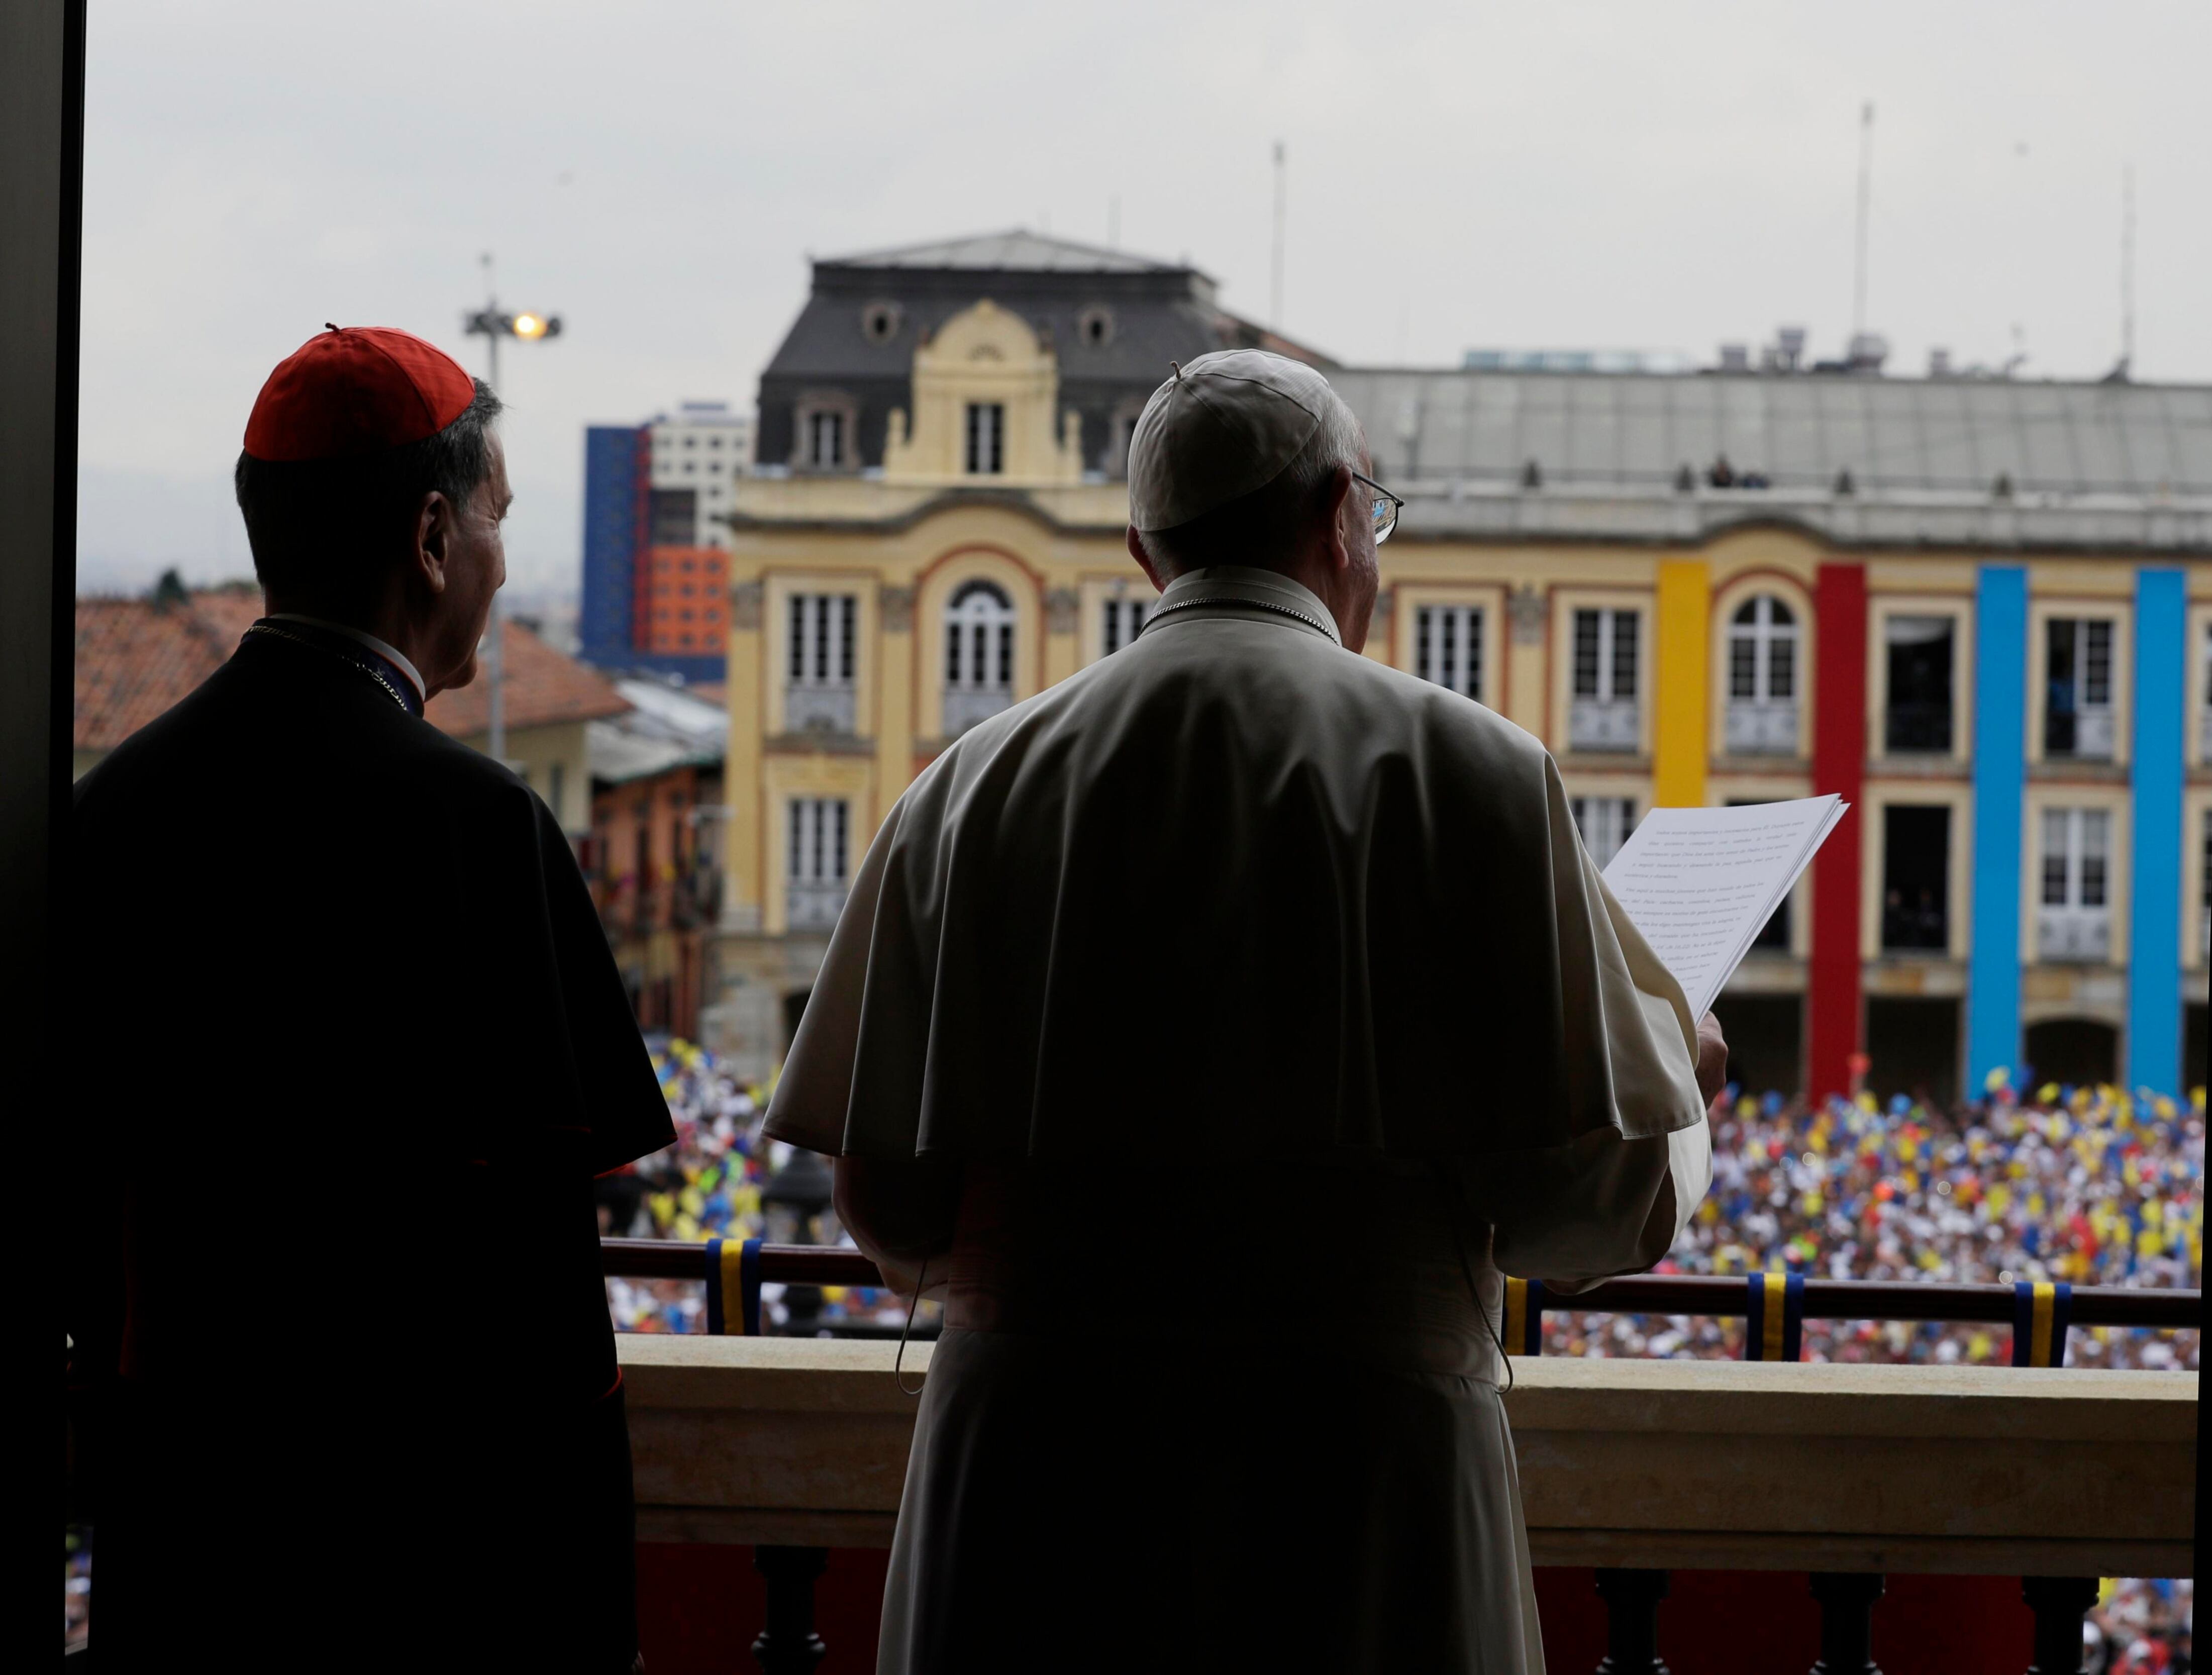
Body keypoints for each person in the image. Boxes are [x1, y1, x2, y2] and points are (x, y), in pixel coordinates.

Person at [765, 350, 1722, 1674]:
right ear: (1340, 515)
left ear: (1144, 553)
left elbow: (890, 1205)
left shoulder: (966, 787)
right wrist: (1680, 1077)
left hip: (1034, 1472)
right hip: (1355, 1471)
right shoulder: (1475, 769)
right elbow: (1587, 1213)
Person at [65, 326, 672, 1668]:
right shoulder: (477, 824)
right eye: (499, 519)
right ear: (433, 537)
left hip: (189, 1536)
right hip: (423, 1554)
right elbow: (545, 1290)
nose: (503, 564)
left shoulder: (116, 808)